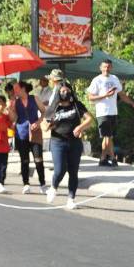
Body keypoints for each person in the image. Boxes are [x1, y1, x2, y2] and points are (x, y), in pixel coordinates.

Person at [43, 80, 94, 210]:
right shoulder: (53, 107)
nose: (65, 93)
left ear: (71, 91)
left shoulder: (76, 105)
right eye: (62, 91)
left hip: (75, 143)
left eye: (67, 90)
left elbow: (90, 119)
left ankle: (71, 199)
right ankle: (53, 187)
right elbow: (44, 127)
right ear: (58, 92)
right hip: (58, 142)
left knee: (73, 172)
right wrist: (49, 124)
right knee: (60, 170)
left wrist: (80, 127)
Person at [87, 58, 134, 167]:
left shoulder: (115, 78)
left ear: (111, 67)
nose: (106, 69)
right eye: (104, 66)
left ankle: (102, 159)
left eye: (108, 66)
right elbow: (90, 97)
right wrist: (105, 95)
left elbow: (121, 95)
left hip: (113, 111)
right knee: (108, 136)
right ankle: (113, 158)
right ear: (100, 68)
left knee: (108, 136)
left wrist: (133, 103)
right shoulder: (96, 80)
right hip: (102, 111)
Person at [9, 81, 46, 194]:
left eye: (16, 89)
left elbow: (43, 111)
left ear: (23, 89)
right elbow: (13, 119)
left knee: (38, 159)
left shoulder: (34, 98)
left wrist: (39, 122)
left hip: (35, 133)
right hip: (21, 134)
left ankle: (43, 184)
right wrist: (10, 109)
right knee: (24, 160)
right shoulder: (15, 102)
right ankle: (26, 184)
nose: (14, 91)